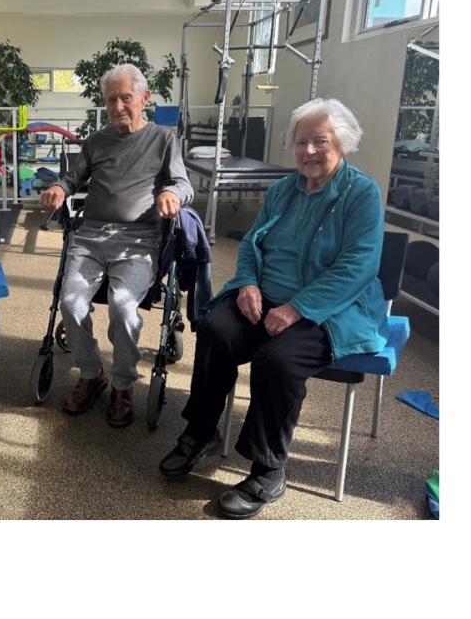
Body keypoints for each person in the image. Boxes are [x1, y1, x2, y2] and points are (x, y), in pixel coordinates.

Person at [158, 98, 388, 519]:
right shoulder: (283, 189)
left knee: (276, 360)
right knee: (215, 329)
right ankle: (202, 430)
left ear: (344, 143)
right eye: (302, 142)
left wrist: (298, 307)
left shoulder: (361, 193)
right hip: (263, 297)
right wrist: (246, 283)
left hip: (330, 310)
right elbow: (251, 244)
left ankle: (269, 469)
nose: (310, 151)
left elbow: (359, 265)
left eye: (321, 141)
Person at [39, 64, 192, 427]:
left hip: (139, 239)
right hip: (90, 236)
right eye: (112, 100)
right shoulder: (96, 141)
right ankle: (92, 374)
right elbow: (72, 177)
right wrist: (60, 188)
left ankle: (123, 383)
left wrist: (171, 192)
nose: (119, 106)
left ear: (144, 98)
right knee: (71, 302)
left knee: (124, 308)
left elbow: (184, 184)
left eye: (127, 97)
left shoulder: (163, 139)